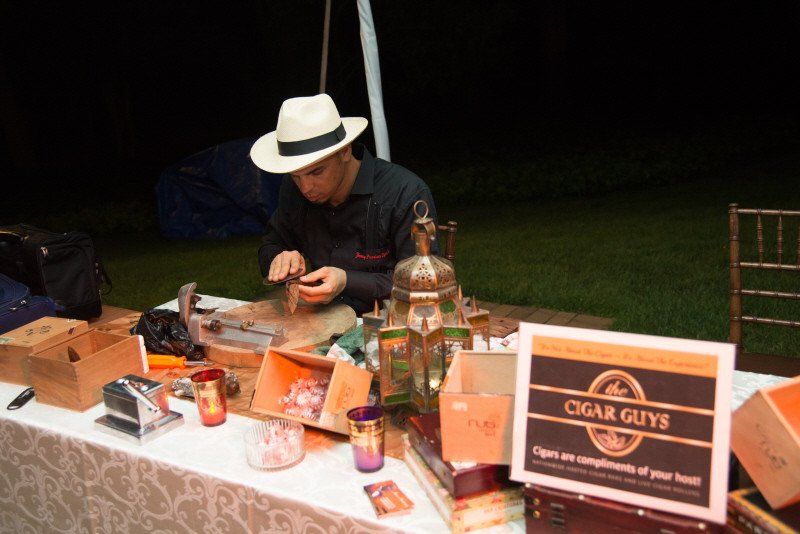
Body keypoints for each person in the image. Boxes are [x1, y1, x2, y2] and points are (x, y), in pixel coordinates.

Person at [251, 94, 437, 315]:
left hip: (390, 322)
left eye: (316, 172)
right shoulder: (292, 189)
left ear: (345, 151)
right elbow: (270, 245)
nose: (305, 187)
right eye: (295, 175)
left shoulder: (404, 193)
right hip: (318, 317)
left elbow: (423, 284)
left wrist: (347, 281)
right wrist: (280, 259)